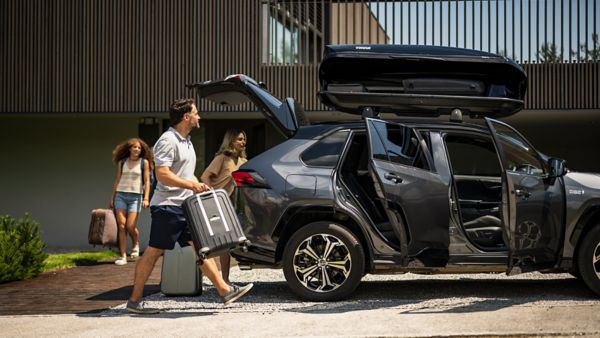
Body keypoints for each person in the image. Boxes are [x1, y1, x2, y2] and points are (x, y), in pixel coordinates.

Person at [126, 98, 253, 314]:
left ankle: (224, 290)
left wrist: (200, 186)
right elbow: (163, 174)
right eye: (196, 113)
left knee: (201, 248)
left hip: (184, 205)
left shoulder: (186, 141)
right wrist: (191, 185)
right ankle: (134, 302)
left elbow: (184, 174)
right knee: (154, 252)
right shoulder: (168, 140)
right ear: (186, 117)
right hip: (168, 206)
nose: (199, 117)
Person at [201, 129, 248, 283]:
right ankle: (213, 277)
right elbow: (205, 176)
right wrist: (211, 197)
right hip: (218, 205)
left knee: (226, 245)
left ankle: (225, 280)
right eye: (239, 139)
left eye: (244, 139)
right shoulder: (222, 158)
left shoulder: (243, 162)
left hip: (233, 207)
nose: (243, 142)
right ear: (231, 141)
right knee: (219, 244)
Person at [109, 138, 154, 266]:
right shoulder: (122, 162)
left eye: (139, 148)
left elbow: (147, 182)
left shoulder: (143, 163)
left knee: (130, 226)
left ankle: (135, 243)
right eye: (134, 147)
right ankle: (123, 256)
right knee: (122, 226)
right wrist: (112, 198)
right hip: (120, 196)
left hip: (136, 197)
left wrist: (146, 198)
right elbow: (117, 180)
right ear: (129, 149)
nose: (137, 150)